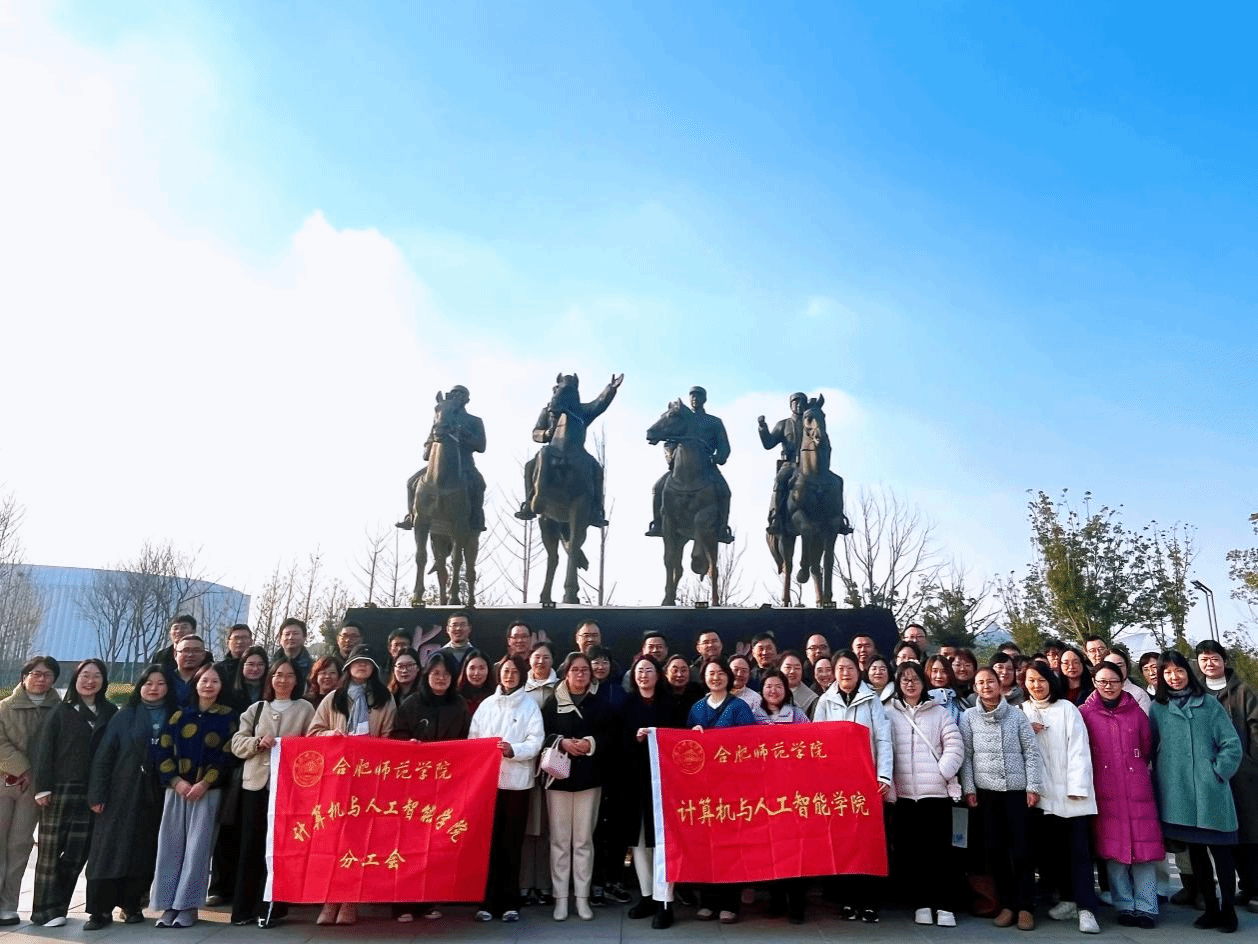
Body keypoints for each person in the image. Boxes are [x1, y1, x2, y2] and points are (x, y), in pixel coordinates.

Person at [1150, 650, 1243, 932]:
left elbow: (1232, 743)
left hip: (1210, 791)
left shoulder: (1209, 704)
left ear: (1188, 672)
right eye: (1167, 672)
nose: (1174, 677)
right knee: (1197, 855)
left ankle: (1229, 910)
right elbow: (1150, 745)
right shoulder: (1158, 708)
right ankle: (1210, 909)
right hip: (1178, 794)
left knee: (1222, 854)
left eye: (1179, 670)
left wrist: (1217, 771)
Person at [307, 646, 395, 925]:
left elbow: (390, 737)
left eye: (367, 663)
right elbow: (313, 733)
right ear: (348, 667)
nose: (361, 667)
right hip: (337, 778)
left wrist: (373, 748)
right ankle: (330, 899)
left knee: (359, 841)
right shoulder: (334, 698)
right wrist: (331, 735)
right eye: (357, 662)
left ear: (374, 668)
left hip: (368, 779)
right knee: (333, 838)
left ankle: (350, 901)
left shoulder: (385, 699)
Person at [29, 659, 118, 927]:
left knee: (77, 853)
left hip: (91, 792)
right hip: (59, 790)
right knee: (49, 853)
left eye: (96, 676)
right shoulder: (61, 711)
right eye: (84, 675)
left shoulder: (110, 712)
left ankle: (59, 908)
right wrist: (42, 788)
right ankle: (43, 911)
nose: (90, 681)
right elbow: (43, 750)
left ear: (104, 681)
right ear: (75, 679)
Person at [85, 666, 173, 929]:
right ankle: (99, 911)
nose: (153, 688)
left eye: (160, 683)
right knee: (108, 850)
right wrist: (97, 794)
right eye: (148, 683)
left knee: (142, 851)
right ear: (139, 687)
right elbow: (104, 756)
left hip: (155, 794)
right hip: (120, 792)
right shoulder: (125, 716)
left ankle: (131, 904)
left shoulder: (175, 716)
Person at [151, 663, 237, 928]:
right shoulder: (178, 716)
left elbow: (228, 756)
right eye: (204, 680)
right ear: (196, 684)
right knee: (170, 848)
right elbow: (162, 751)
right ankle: (168, 906)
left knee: (198, 851)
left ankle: (187, 907)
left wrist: (205, 783)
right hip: (176, 791)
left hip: (207, 793)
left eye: (215, 681)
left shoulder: (229, 717)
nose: (208, 685)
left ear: (222, 686)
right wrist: (176, 781)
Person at [1080, 662, 1164, 929]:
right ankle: (1124, 905)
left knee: (1144, 851)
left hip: (1137, 789)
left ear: (1122, 681)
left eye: (1113, 681)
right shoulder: (1085, 713)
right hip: (1105, 790)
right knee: (1114, 852)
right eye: (1102, 681)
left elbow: (1146, 746)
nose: (1108, 686)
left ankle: (1147, 906)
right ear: (1094, 682)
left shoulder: (1136, 711)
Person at [230, 657, 313, 928]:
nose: (283, 680)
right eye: (278, 674)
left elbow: (313, 745)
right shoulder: (256, 709)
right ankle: (243, 909)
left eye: (289, 675)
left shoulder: (305, 709)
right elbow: (237, 743)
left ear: (297, 680)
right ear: (270, 678)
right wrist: (257, 743)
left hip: (288, 789)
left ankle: (271, 909)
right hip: (255, 786)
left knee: (279, 849)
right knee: (250, 847)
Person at [959, 667, 1044, 931]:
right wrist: (969, 789)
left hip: (1017, 792)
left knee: (1022, 850)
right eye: (980, 683)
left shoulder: (1017, 715)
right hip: (986, 794)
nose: (986, 686)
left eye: (990, 681)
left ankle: (1026, 907)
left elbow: (1031, 752)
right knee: (995, 850)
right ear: (975, 688)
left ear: (999, 685)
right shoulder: (968, 717)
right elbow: (967, 756)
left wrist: (1033, 786)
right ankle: (1007, 904)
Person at [814, 649, 894, 922]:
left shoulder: (871, 700)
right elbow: (817, 743)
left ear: (858, 671)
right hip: (838, 784)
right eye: (840, 669)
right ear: (834, 673)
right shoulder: (825, 701)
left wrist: (884, 776)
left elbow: (883, 739)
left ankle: (870, 902)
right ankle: (847, 901)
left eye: (849, 668)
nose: (845, 673)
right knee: (844, 843)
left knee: (869, 842)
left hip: (867, 780)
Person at [1021, 661, 1100, 933]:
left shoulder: (1067, 709)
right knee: (1054, 854)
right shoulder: (1021, 711)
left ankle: (1087, 909)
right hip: (1041, 798)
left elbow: (1079, 750)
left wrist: (1077, 789)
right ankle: (1068, 900)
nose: (1036, 685)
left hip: (1070, 795)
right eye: (1031, 680)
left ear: (1051, 681)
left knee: (1079, 853)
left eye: (1041, 680)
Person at [391, 652, 471, 922]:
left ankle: (428, 900)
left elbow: (466, 740)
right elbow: (397, 736)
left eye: (446, 674)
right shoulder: (411, 704)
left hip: (446, 785)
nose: (441, 678)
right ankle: (401, 903)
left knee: (435, 844)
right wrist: (410, 745)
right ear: (426, 675)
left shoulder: (459, 705)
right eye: (436, 673)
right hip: (414, 784)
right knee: (408, 843)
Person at [887, 661, 963, 928]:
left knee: (940, 853)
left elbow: (955, 745)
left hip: (936, 795)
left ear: (924, 682)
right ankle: (922, 903)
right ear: (898, 684)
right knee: (913, 854)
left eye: (915, 679)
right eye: (904, 679)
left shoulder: (939, 712)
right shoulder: (889, 713)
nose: (910, 684)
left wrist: (942, 772)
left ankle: (945, 905)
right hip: (905, 797)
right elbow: (885, 751)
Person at [469, 656, 544, 922]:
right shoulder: (486, 705)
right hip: (489, 785)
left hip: (517, 784)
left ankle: (511, 902)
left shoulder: (530, 706)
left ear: (522, 675)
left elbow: (536, 740)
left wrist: (514, 750)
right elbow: (473, 739)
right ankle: (487, 902)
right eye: (505, 671)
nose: (509, 675)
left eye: (514, 671)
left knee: (512, 844)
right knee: (489, 844)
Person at [688, 658, 756, 923]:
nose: (715, 677)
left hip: (732, 786)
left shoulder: (739, 707)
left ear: (728, 677)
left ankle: (730, 903)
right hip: (704, 787)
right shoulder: (697, 708)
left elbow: (749, 743)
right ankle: (708, 900)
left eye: (720, 673)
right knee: (706, 845)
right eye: (710, 673)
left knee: (731, 845)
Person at [542, 653, 607, 921]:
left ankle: (582, 897)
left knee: (583, 841)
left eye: (585, 670)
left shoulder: (599, 703)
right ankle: (560, 899)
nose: (580, 675)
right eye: (575, 670)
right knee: (559, 841)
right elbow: (541, 734)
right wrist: (561, 742)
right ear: (566, 673)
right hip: (557, 778)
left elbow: (610, 735)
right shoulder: (552, 702)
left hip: (589, 779)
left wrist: (591, 743)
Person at [1196, 640, 1258, 912]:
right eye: (1204, 659)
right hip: (1211, 776)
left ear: (1224, 661)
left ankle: (1254, 889)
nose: (1209, 664)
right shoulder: (1196, 693)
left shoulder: (1244, 692)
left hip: (1243, 775)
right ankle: (1235, 889)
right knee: (1222, 836)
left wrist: (1250, 763)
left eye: (1214, 658)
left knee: (1249, 834)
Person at [0, 656, 60, 926]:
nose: (41, 679)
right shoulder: (5, 707)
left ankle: (8, 905)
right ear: (24, 677)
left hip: (35, 787)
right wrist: (22, 768)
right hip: (5, 781)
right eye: (36, 674)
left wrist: (36, 776)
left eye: (47, 675)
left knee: (20, 845)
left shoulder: (59, 710)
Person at [516, 372, 621, 527]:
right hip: (552, 450)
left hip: (578, 451)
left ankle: (596, 510)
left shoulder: (582, 411)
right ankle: (529, 502)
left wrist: (610, 389)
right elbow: (536, 433)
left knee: (597, 470)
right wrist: (546, 434)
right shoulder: (547, 411)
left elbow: (599, 403)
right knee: (530, 465)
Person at [620, 656, 679, 928]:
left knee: (663, 842)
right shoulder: (626, 705)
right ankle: (646, 896)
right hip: (634, 780)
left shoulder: (670, 704)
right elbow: (617, 741)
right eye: (639, 671)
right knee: (639, 841)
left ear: (658, 675)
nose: (644, 675)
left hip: (664, 783)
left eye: (649, 670)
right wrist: (635, 739)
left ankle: (664, 901)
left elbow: (679, 739)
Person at [752, 668, 811, 923]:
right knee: (770, 848)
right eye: (768, 686)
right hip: (763, 792)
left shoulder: (797, 715)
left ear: (786, 690)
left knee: (795, 847)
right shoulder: (752, 715)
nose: (773, 691)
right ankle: (776, 900)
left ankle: (797, 904)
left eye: (778, 686)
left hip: (793, 791)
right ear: (761, 690)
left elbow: (811, 744)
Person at [646, 385, 734, 543]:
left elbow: (724, 446)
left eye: (698, 395)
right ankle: (658, 524)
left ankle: (722, 528)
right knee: (657, 488)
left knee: (725, 492)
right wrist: (670, 457)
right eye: (692, 395)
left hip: (707, 466)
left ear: (704, 399)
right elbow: (669, 442)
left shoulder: (714, 422)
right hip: (680, 466)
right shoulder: (681, 419)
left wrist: (718, 457)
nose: (694, 398)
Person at [397, 383, 488, 531]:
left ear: (467, 400)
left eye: (461, 395)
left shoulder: (474, 421)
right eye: (454, 393)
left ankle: (476, 517)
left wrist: (464, 434)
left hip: (464, 465)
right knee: (411, 482)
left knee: (479, 484)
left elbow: (481, 446)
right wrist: (429, 446)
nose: (457, 396)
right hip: (437, 464)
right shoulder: (441, 417)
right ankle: (411, 516)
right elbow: (430, 440)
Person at [521, 642, 558, 906]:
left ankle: (545, 884)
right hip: (523, 765)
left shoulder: (561, 688)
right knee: (526, 827)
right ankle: (524, 883)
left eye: (546, 657)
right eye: (537, 657)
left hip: (553, 767)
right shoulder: (520, 689)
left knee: (547, 828)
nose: (541, 662)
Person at [166, 634, 212, 706]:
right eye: (185, 650)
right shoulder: (165, 679)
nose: (190, 655)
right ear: (175, 654)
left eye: (196, 650)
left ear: (203, 655)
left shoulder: (210, 681)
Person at [273, 618, 313, 688]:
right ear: (280, 639)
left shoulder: (313, 667)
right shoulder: (270, 666)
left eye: (295, 634)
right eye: (287, 634)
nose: (291, 637)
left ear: (304, 637)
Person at [925, 655, 964, 725]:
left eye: (944, 671)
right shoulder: (919, 700)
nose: (939, 676)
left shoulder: (959, 701)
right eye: (935, 671)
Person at [214, 624, 254, 692]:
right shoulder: (218, 670)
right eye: (236, 638)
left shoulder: (258, 667)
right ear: (228, 642)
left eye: (244, 638)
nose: (240, 641)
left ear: (251, 641)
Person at [778, 651, 817, 716]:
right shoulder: (770, 692)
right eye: (788, 667)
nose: (792, 671)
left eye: (797, 668)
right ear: (779, 669)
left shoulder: (811, 699)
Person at [458, 650, 496, 716]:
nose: (476, 673)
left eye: (482, 668)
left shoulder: (496, 696)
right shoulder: (456, 697)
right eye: (472, 668)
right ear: (465, 670)